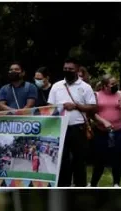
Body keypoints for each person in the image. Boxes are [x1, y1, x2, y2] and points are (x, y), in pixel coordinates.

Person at [48, 58, 97, 187]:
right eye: (65, 69)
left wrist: (76, 106)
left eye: (70, 69)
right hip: (60, 127)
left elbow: (92, 106)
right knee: (62, 160)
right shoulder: (57, 86)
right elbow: (49, 106)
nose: (67, 71)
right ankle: (63, 186)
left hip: (78, 128)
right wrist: (60, 107)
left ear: (77, 70)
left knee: (79, 160)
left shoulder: (85, 87)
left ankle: (80, 186)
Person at [90, 75, 121, 187]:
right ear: (105, 86)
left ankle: (116, 183)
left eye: (116, 83)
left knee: (117, 157)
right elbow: (92, 113)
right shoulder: (96, 95)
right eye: (112, 84)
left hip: (119, 130)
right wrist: (103, 121)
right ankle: (93, 184)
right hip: (101, 131)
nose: (115, 86)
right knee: (99, 158)